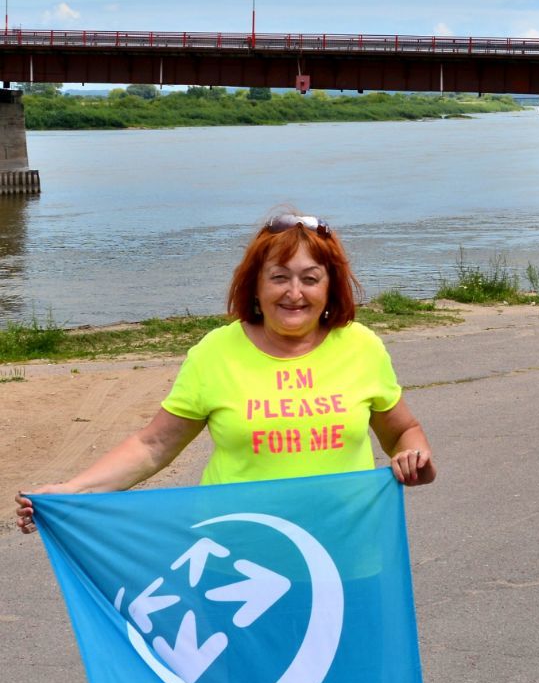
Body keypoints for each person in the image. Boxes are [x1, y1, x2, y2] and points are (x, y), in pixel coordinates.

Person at [16, 213, 434, 533]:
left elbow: (402, 432)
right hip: (237, 560)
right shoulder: (215, 352)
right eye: (279, 278)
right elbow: (153, 446)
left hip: (346, 554)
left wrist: (414, 457)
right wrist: (72, 493)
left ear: (330, 287)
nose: (294, 293)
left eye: (310, 279)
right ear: (255, 285)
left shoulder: (361, 346)